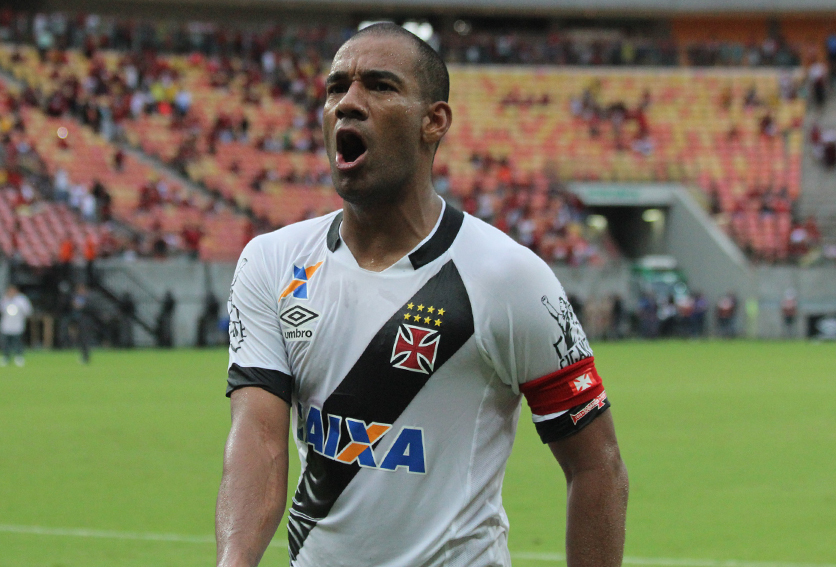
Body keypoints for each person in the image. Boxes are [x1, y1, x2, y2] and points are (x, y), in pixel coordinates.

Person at [216, 23, 628, 567]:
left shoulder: (508, 277)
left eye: (379, 86)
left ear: (434, 121)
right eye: (336, 87)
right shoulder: (271, 262)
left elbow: (597, 466)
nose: (347, 103)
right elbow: (259, 439)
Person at [0, 284, 33, 366]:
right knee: (5, 342)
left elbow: (28, 311)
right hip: (6, 326)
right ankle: (6, 357)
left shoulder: (21, 300)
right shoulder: (4, 299)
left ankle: (19, 357)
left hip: (17, 326)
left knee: (17, 342)